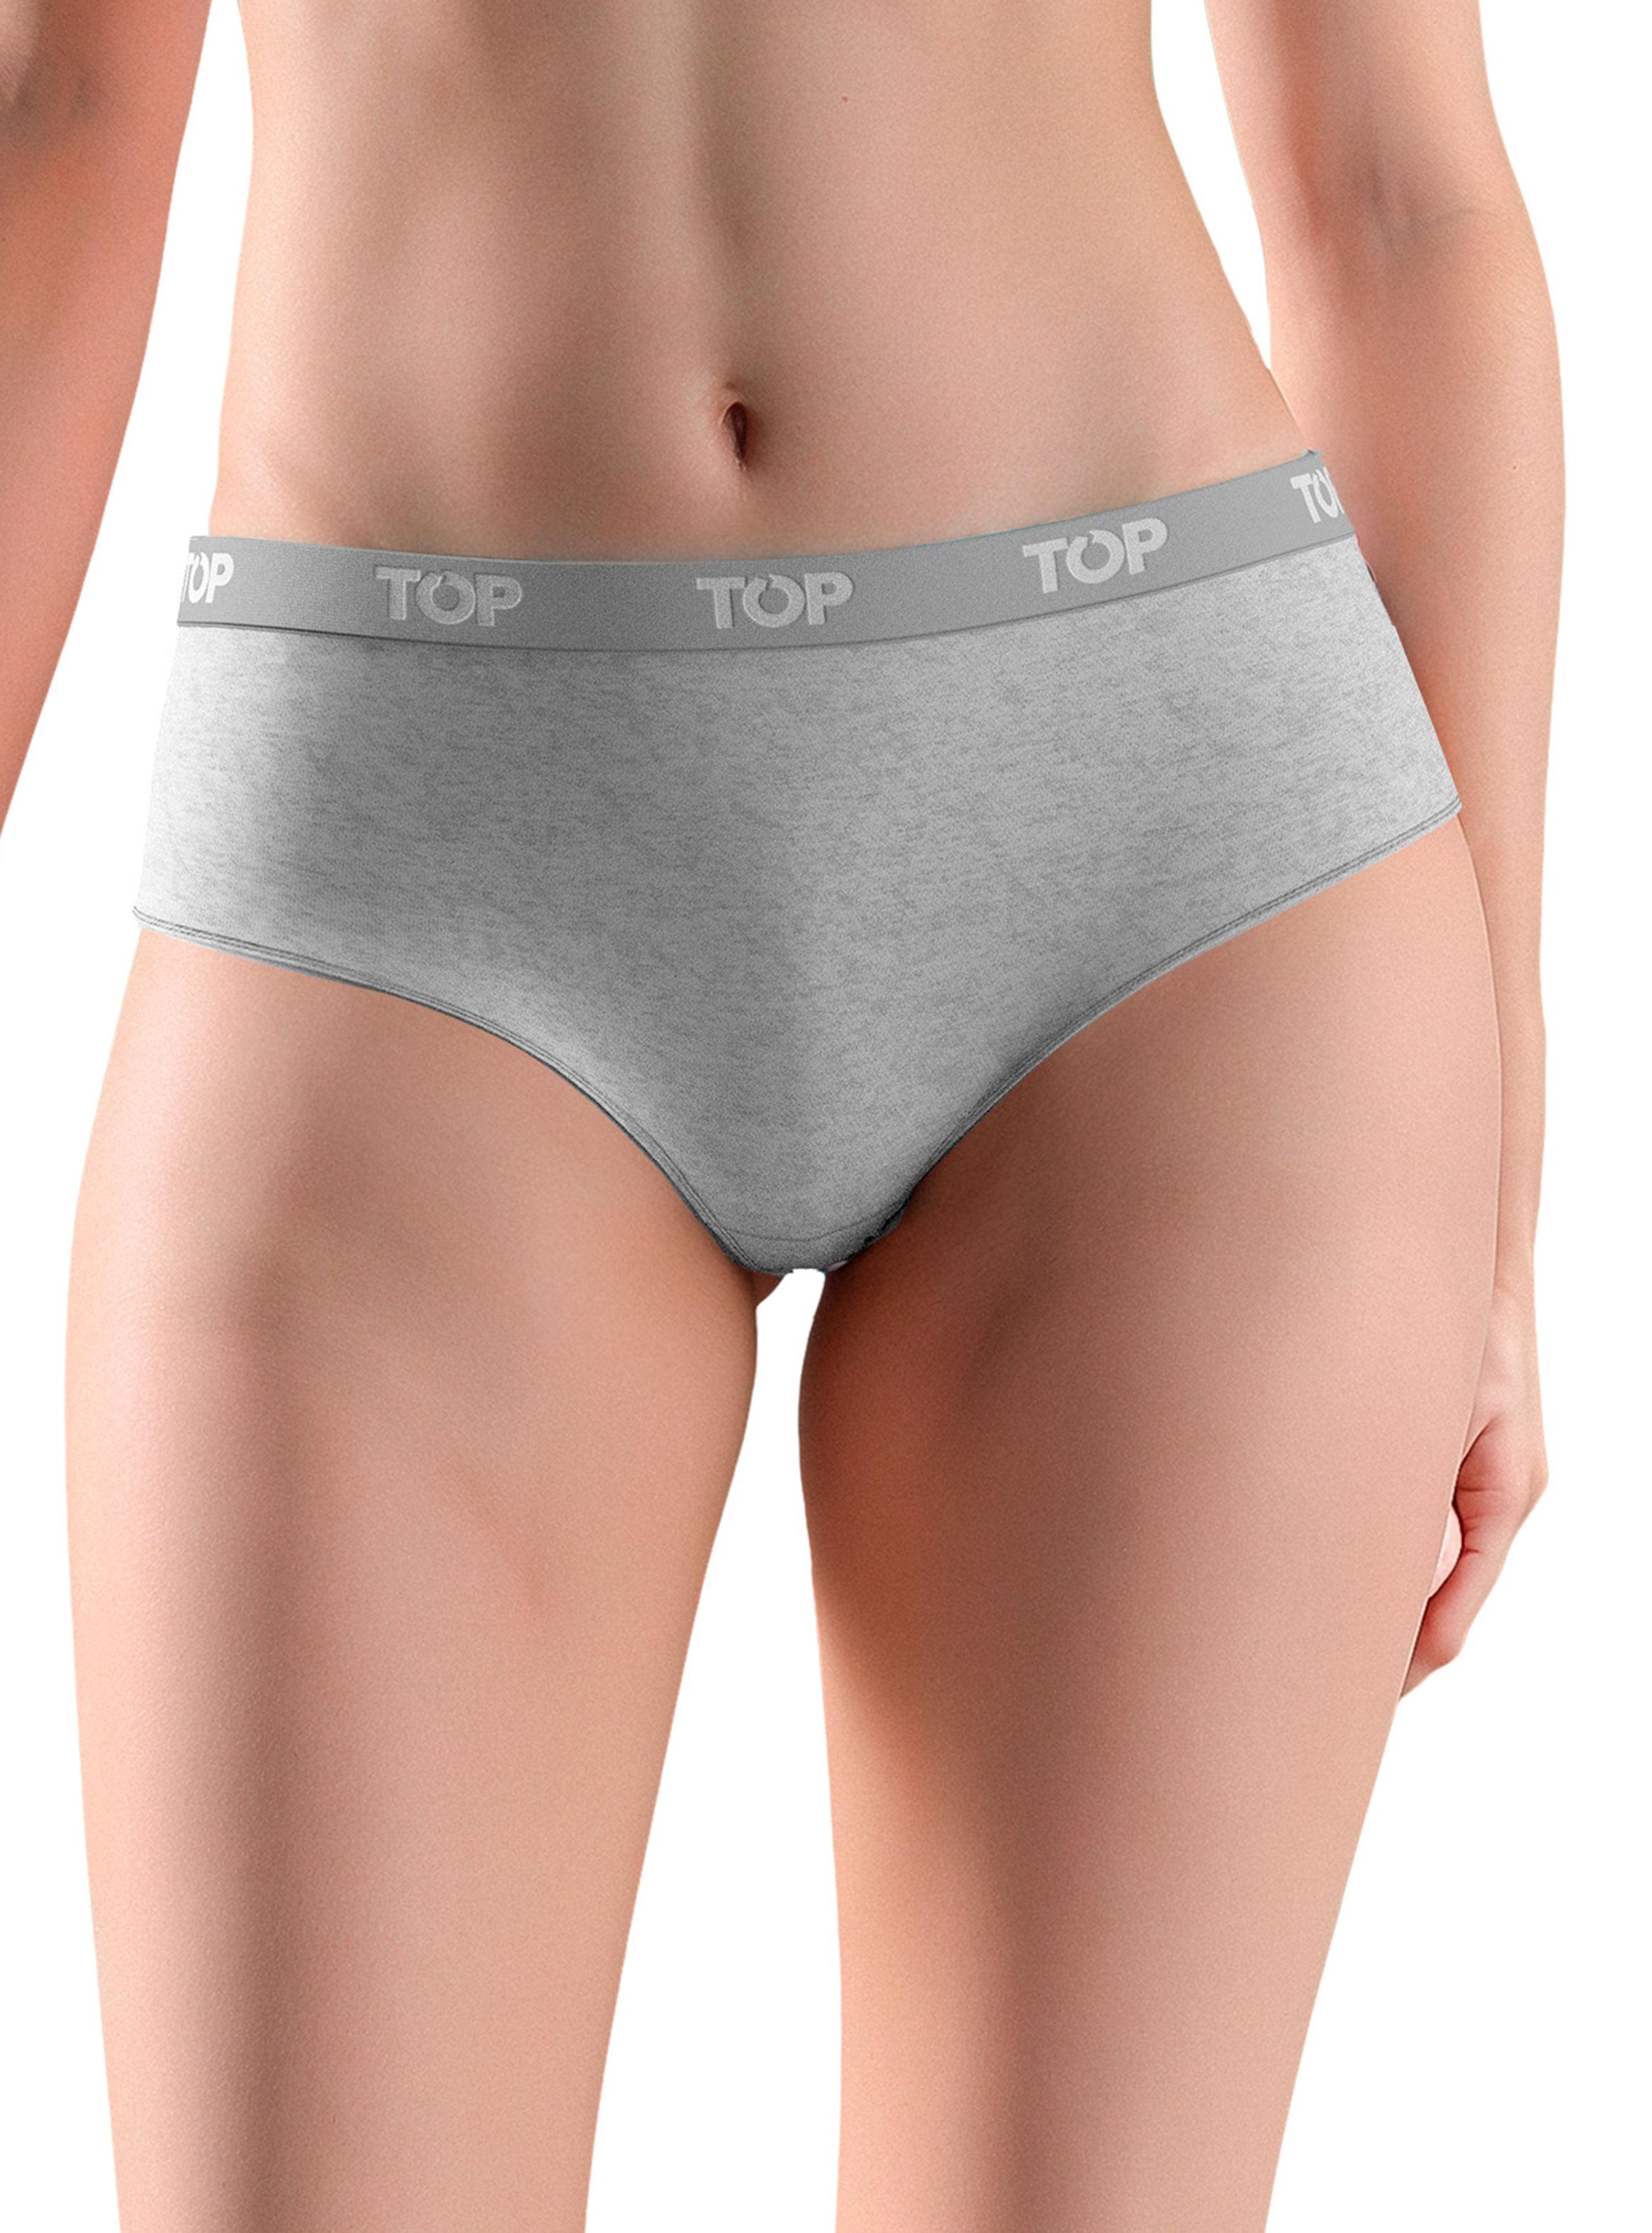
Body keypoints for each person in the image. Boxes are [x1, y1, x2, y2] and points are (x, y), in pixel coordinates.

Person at [3, 1, 1558, 2226]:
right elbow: (56, 107)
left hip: (1178, 862)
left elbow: (1399, 198)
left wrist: (1497, 1177)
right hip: (402, 841)